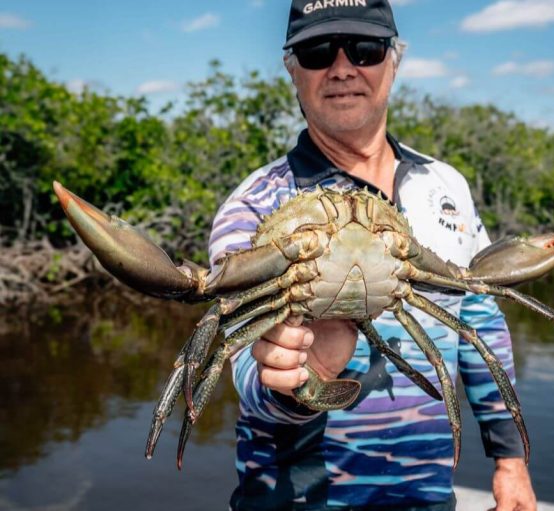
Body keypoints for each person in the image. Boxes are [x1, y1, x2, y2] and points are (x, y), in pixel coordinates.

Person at [208, 1, 537, 509]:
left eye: (365, 49)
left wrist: (510, 461)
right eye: (317, 52)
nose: (342, 68)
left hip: (425, 496)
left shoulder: (445, 185)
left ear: (394, 60)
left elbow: (479, 316)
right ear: (292, 70)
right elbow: (241, 368)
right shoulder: (253, 205)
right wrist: (296, 380)